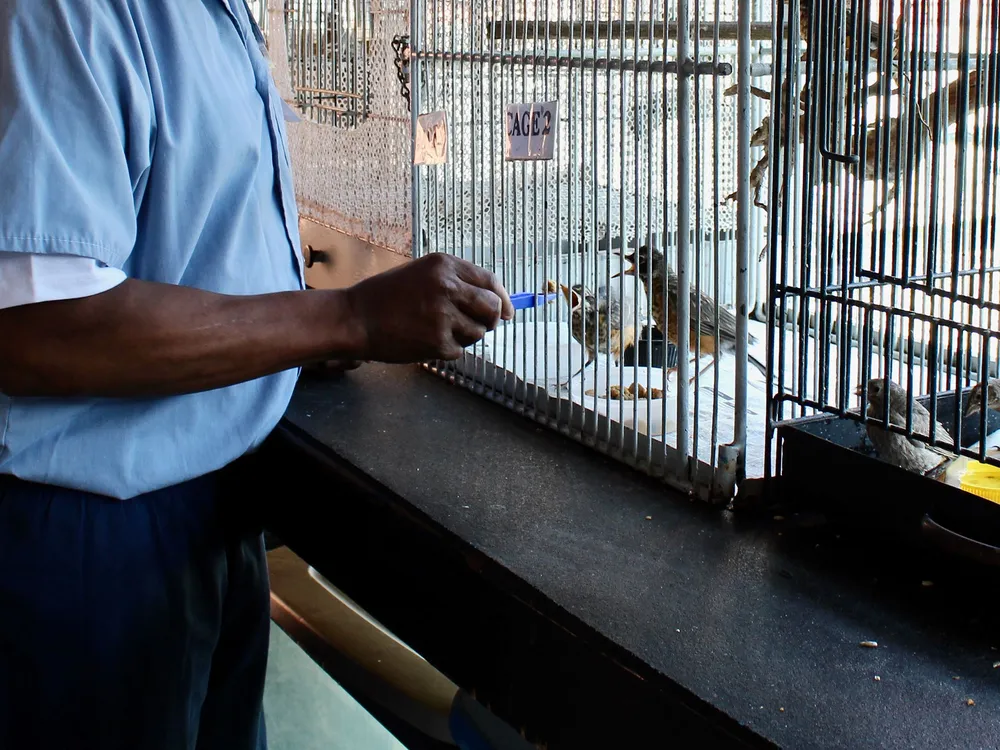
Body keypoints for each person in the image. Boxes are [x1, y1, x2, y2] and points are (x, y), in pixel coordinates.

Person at [0, 2, 512, 749]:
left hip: (209, 508)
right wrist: (349, 318)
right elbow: (39, 326)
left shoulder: (220, 14)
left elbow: (178, 237)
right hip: (90, 533)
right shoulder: (72, 13)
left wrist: (289, 332)